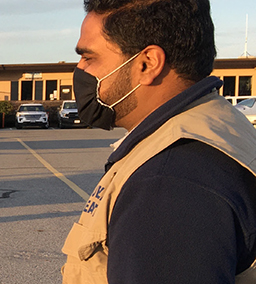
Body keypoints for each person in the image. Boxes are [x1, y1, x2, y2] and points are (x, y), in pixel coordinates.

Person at [62, 0, 256, 283]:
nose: (79, 69)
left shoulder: (169, 181)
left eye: (89, 58)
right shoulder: (217, 124)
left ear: (147, 63)